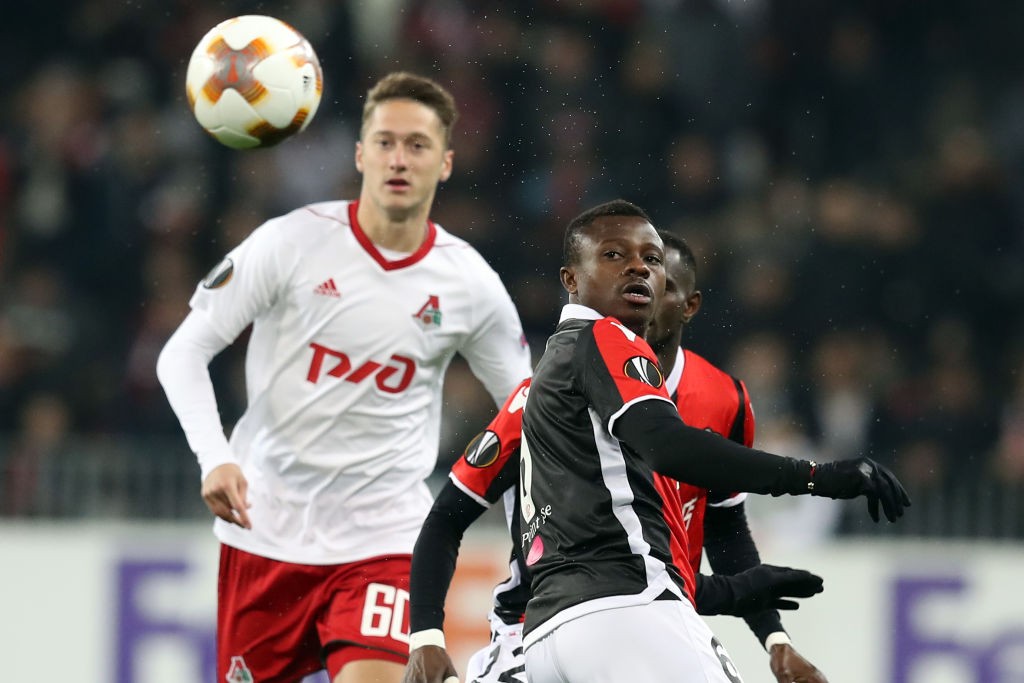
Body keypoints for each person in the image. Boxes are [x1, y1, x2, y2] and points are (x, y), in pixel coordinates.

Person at [155, 71, 533, 683]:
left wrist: (537, 537)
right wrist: (214, 458)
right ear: (360, 154)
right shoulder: (289, 243)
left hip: (385, 540)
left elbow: (526, 414)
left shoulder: (469, 283)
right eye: (384, 142)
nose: (398, 159)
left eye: (417, 145)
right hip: (264, 533)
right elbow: (182, 353)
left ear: (445, 164)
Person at [401, 227, 829, 683]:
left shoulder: (725, 400)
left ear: (689, 304)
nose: (643, 288)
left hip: (652, 607)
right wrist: (425, 634)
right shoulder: (545, 397)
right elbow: (447, 515)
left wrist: (775, 640)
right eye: (628, 272)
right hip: (534, 628)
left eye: (659, 280)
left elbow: (724, 531)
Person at [518, 199, 908, 683]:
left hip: (549, 632)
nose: (638, 266)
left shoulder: (550, 369)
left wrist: (745, 602)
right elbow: (669, 445)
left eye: (652, 258)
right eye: (615, 255)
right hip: (627, 612)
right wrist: (818, 477)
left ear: (686, 300)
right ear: (571, 279)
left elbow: (701, 524)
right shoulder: (605, 340)